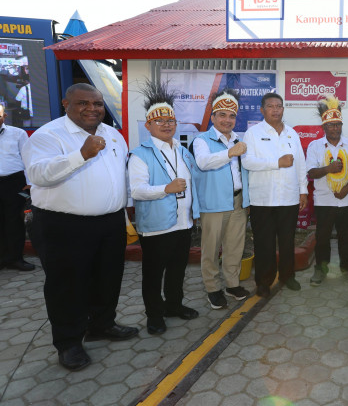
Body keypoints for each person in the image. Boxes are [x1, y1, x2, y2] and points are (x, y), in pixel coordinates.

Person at [22, 83, 138, 371]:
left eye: (97, 103)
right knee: (67, 286)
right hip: (64, 225)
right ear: (66, 104)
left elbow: (119, 175)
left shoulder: (112, 134)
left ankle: (102, 324)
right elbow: (38, 174)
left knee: (108, 278)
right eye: (83, 103)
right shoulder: (48, 135)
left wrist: (126, 209)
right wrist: (80, 155)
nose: (92, 109)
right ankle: (69, 343)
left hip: (110, 221)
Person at [129, 81, 201, 335]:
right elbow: (137, 191)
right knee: (153, 274)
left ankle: (174, 306)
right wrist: (166, 188)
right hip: (157, 226)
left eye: (170, 120)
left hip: (183, 222)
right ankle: (154, 315)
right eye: (159, 121)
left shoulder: (182, 151)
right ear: (148, 125)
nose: (166, 124)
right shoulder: (140, 154)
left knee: (177, 270)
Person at [243, 92, 307, 297]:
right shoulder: (252, 133)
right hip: (263, 199)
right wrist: (276, 163)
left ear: (283, 109)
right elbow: (247, 162)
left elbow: (301, 165)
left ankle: (288, 276)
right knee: (264, 243)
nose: (275, 110)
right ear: (262, 110)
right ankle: (264, 281)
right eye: (271, 106)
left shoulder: (292, 134)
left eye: (279, 106)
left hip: (289, 198)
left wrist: (303, 191)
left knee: (287, 241)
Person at [192, 89, 252, 308]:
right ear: (213, 117)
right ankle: (212, 288)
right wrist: (230, 152)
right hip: (213, 203)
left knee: (235, 246)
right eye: (222, 115)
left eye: (232, 116)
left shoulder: (238, 139)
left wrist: (247, 200)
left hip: (237, 201)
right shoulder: (201, 140)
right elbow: (203, 162)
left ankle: (232, 284)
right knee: (211, 248)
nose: (227, 120)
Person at [305, 95, 348, 286]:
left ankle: (347, 268)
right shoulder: (315, 146)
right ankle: (321, 270)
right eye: (330, 125)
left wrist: (346, 189)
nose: (335, 128)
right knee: (322, 239)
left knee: (347, 238)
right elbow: (311, 172)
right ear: (324, 127)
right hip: (324, 201)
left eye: (337, 125)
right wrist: (328, 169)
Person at [0, 104, 34, 271]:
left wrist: (30, 182)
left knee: (14, 221)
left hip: (14, 182)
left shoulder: (18, 133)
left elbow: (28, 158)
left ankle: (15, 259)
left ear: (5, 116)